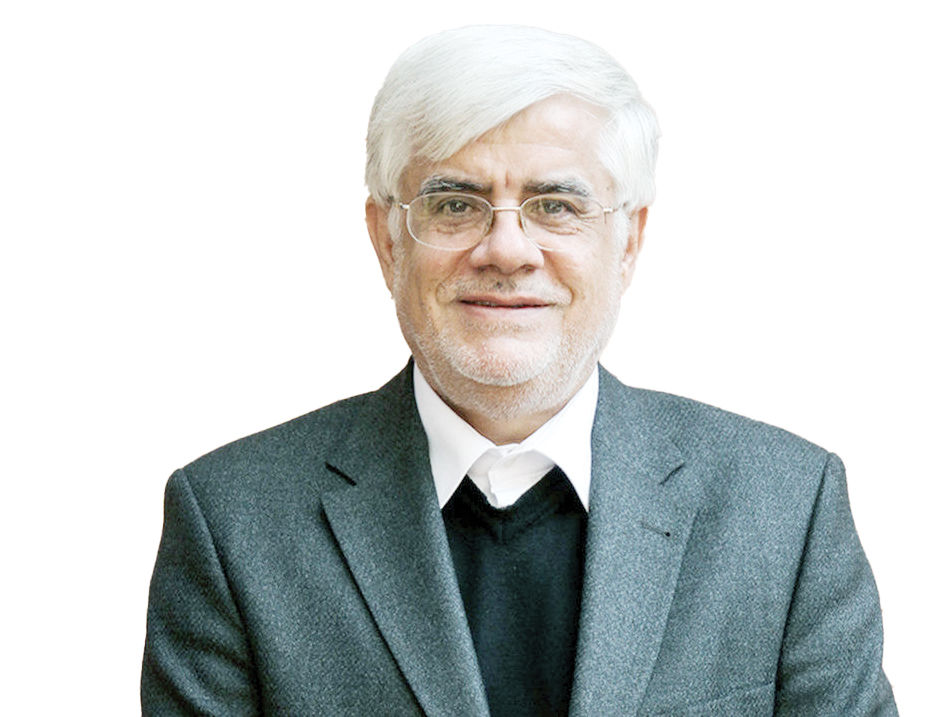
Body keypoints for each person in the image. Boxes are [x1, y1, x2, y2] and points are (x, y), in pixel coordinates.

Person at [141, 25, 897, 716]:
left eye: (555, 205)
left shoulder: (785, 510)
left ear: (629, 242)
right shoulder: (233, 523)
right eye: (454, 204)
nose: (506, 249)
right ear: (387, 240)